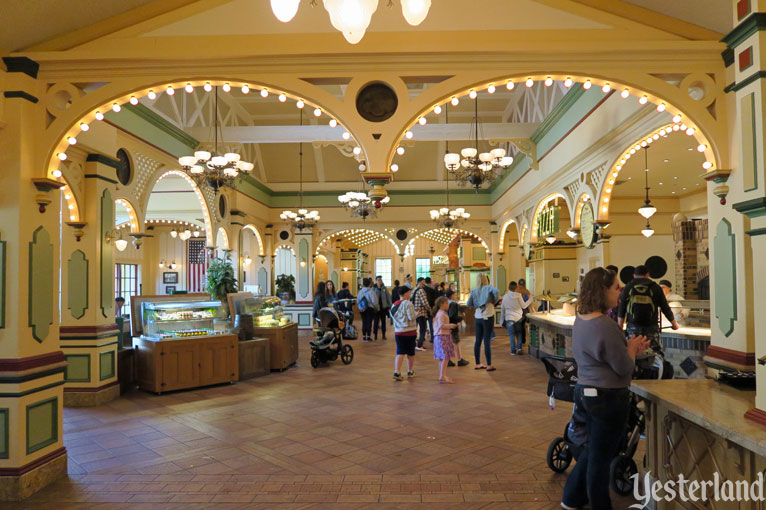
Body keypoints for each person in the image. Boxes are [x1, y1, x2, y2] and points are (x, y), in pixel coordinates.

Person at [561, 267, 650, 510]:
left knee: (593, 450)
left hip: (584, 392)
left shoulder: (581, 320)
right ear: (602, 291)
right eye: (615, 287)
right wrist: (632, 349)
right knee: (601, 459)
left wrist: (627, 348)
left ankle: (571, 498)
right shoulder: (606, 326)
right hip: (608, 398)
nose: (619, 292)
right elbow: (623, 367)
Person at [617, 265, 679, 347]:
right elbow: (665, 307)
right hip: (651, 326)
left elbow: (622, 309)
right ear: (647, 275)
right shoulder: (655, 287)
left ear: (634, 275)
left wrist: (620, 327)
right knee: (653, 353)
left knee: (634, 352)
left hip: (633, 326)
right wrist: (674, 324)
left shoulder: (628, 287)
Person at [466, 274, 499, 371]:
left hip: (478, 317)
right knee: (487, 341)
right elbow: (497, 292)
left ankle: (477, 363)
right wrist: (494, 301)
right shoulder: (489, 288)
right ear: (485, 280)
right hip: (488, 316)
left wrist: (475, 306)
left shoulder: (474, 290)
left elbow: (469, 304)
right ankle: (489, 365)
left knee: (478, 341)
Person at [391, 286, 417, 380]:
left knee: (400, 352)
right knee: (410, 352)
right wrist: (417, 313)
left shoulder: (394, 305)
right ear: (405, 293)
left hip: (398, 332)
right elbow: (411, 317)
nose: (410, 294)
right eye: (409, 292)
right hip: (409, 331)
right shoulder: (408, 303)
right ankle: (410, 371)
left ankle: (397, 372)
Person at [432, 296, 458, 383]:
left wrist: (448, 328)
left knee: (442, 358)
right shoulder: (441, 314)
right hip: (442, 337)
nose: (448, 305)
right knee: (445, 357)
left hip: (441, 336)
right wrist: (451, 325)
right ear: (442, 304)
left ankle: (442, 375)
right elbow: (441, 325)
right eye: (447, 303)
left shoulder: (440, 313)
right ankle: (442, 376)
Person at [500, 281, 530, 355]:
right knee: (519, 333)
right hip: (518, 317)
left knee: (511, 335)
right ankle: (519, 349)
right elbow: (524, 306)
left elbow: (502, 309)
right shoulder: (519, 296)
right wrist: (531, 299)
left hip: (509, 317)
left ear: (508, 288)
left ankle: (513, 351)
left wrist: (501, 320)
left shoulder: (505, 297)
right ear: (516, 288)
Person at [446, 290, 469, 367]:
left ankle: (448, 360)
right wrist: (461, 317)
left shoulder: (445, 303)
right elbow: (453, 316)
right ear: (452, 295)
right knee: (456, 342)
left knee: (449, 342)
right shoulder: (453, 304)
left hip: (446, 325)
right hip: (453, 325)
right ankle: (459, 359)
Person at [357, 277, 379, 343]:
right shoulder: (371, 292)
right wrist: (376, 307)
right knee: (369, 322)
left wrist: (360, 308)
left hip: (362, 309)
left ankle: (364, 337)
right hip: (370, 309)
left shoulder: (360, 292)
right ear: (369, 284)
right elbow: (374, 301)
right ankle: (368, 337)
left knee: (364, 322)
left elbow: (358, 301)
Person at [412, 278, 430, 351]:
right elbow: (425, 302)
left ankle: (413, 344)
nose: (424, 284)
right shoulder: (421, 291)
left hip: (415, 313)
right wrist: (430, 309)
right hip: (422, 313)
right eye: (422, 282)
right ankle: (419, 345)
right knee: (423, 329)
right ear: (419, 282)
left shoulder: (414, 290)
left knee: (415, 329)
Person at [373, 275, 392, 340]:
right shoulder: (374, 288)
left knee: (383, 322)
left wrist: (390, 306)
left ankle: (384, 335)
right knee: (376, 322)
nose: (380, 281)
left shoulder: (384, 288)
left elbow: (388, 297)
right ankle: (375, 335)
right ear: (376, 281)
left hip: (383, 308)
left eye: (381, 280)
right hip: (376, 308)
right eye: (378, 280)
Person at [424, 277, 439, 341]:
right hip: (432, 307)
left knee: (423, 324)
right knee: (431, 323)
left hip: (424, 308)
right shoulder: (433, 290)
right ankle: (432, 337)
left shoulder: (423, 289)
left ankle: (422, 337)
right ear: (430, 282)